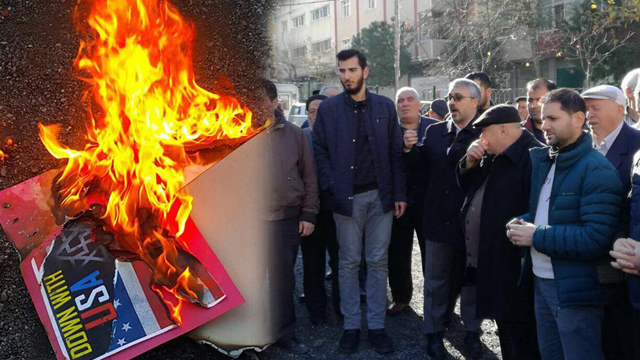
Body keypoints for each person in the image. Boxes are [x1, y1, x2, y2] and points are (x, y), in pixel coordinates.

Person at [507, 88, 623, 360]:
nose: (544, 125)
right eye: (543, 118)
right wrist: (522, 224)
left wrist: (535, 235)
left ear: (579, 119)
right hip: (543, 283)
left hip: (575, 292)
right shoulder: (550, 160)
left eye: (553, 118)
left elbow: (595, 238)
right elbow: (552, 215)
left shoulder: (597, 170)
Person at [313, 49, 407, 355]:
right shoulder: (329, 110)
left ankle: (377, 327)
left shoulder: (384, 106)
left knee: (378, 262)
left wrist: (399, 193)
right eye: (342, 71)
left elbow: (395, 152)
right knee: (349, 263)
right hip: (346, 199)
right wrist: (331, 184)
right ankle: (352, 326)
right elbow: (320, 151)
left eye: (352, 70)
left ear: (365, 71)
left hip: (381, 198)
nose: (346, 76)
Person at [404, 78, 482, 360]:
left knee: (471, 281)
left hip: (472, 223)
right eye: (450, 97)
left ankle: (472, 333)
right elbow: (419, 169)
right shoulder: (435, 132)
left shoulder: (486, 133)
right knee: (435, 281)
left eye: (459, 97)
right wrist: (410, 149)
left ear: (475, 101)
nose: (452, 102)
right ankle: (434, 333)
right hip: (438, 219)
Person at [457, 105, 542, 360]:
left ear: (504, 130)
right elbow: (469, 189)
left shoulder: (533, 156)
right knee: (505, 328)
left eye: (485, 132)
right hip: (493, 257)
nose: (481, 139)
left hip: (515, 265)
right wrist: (469, 162)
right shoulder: (495, 152)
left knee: (521, 334)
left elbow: (535, 210)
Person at [261, 78, 319, 354]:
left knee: (283, 280)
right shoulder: (236, 133)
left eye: (261, 101)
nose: (255, 108)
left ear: (275, 103)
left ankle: (285, 333)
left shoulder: (296, 135)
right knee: (249, 280)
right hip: (250, 222)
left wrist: (309, 214)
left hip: (286, 219)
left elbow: (309, 177)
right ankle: (253, 335)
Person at [582, 85, 640, 360]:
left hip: (623, 265)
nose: (589, 114)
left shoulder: (636, 144)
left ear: (620, 108)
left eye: (596, 108)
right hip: (587, 261)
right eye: (587, 109)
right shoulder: (581, 146)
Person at [386, 87, 436, 317]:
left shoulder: (433, 128)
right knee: (397, 252)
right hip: (399, 200)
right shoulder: (388, 131)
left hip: (428, 201)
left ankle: (435, 300)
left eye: (409, 100)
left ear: (419, 104)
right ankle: (400, 297)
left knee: (432, 253)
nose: (405, 104)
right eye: (400, 101)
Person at [300, 94, 341, 326]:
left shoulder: (343, 139)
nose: (316, 114)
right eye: (312, 110)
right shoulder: (301, 137)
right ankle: (317, 311)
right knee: (312, 263)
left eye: (321, 109)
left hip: (337, 212)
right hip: (310, 213)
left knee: (341, 263)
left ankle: (342, 309)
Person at [524, 78, 558, 144]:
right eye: (530, 100)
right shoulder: (519, 133)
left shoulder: (566, 132)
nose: (533, 106)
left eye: (539, 100)